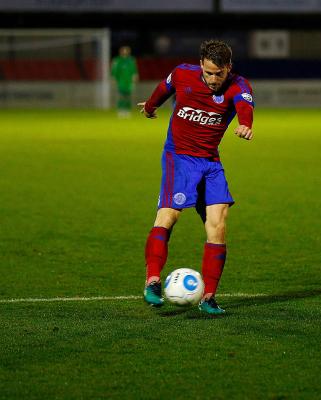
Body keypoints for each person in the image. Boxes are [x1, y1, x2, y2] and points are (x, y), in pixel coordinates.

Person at [138, 40, 254, 314]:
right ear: (201, 64)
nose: (214, 79)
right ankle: (152, 281)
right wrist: (150, 107)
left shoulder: (239, 86)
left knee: (219, 224)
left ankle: (208, 297)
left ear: (229, 68)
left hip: (210, 162)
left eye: (219, 74)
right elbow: (163, 89)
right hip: (178, 158)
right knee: (168, 215)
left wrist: (246, 124)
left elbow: (244, 107)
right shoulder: (182, 74)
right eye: (209, 73)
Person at [111, 45, 138, 118]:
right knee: (121, 97)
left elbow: (134, 71)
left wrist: (134, 77)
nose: (125, 52)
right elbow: (114, 71)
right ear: (121, 51)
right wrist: (114, 79)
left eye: (126, 50)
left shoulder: (131, 60)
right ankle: (120, 111)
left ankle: (127, 111)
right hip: (121, 82)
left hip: (129, 82)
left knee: (128, 97)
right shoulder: (118, 60)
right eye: (124, 50)